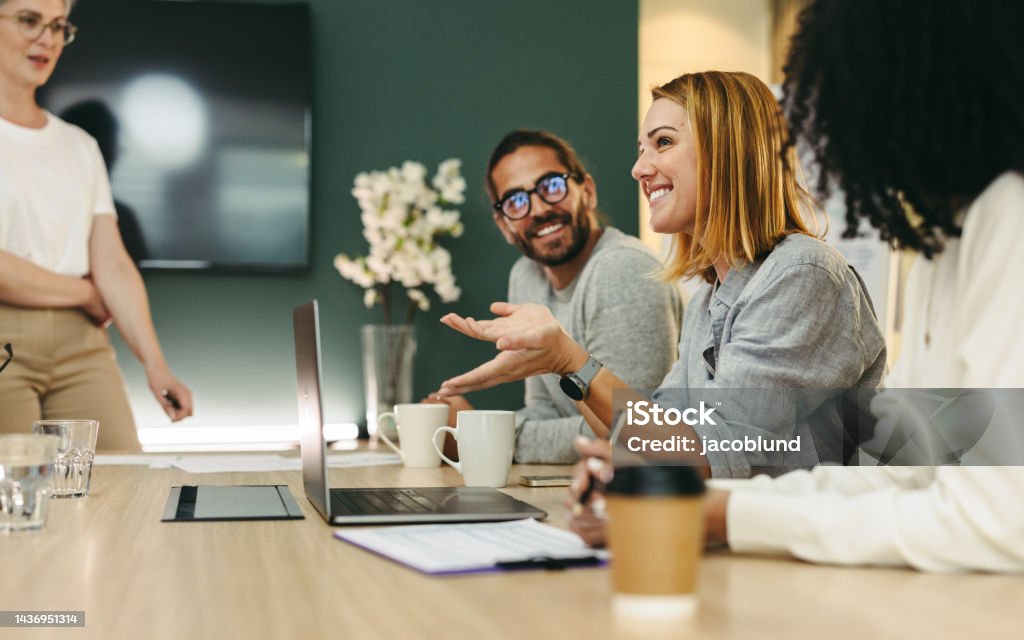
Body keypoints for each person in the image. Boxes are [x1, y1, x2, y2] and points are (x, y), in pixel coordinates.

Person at [574, 0, 1024, 572]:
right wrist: (698, 503)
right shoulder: (945, 249)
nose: (826, 129)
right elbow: (903, 474)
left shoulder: (1006, 219)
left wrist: (719, 514)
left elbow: (999, 524)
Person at [438, 72, 886, 478]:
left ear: (726, 149)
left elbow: (714, 456)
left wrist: (567, 358)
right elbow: (649, 436)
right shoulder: (709, 300)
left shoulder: (801, 273)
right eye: (641, 150)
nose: (639, 169)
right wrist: (561, 365)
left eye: (664, 142)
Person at [0, 0, 192, 451]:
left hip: (82, 346)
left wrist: (156, 364)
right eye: (30, 21)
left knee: (123, 486)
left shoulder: (80, 146)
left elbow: (113, 263)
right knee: (19, 506)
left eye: (58, 26)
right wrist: (83, 292)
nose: (46, 39)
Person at [431, 130, 683, 463]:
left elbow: (632, 434)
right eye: (516, 201)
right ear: (504, 225)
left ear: (588, 192)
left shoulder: (623, 269)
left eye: (551, 186)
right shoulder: (526, 276)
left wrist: (479, 435)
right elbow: (543, 412)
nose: (537, 209)